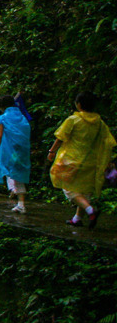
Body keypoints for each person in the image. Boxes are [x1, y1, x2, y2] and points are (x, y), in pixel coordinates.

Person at [48, 91, 116, 229]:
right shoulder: (100, 123)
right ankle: (77, 218)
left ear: (78, 104)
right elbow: (108, 142)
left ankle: (91, 210)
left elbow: (60, 137)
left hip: (71, 160)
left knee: (67, 188)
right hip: (91, 161)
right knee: (84, 191)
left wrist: (52, 151)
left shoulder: (73, 120)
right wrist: (107, 159)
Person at [0, 94, 31, 213]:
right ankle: (21, 204)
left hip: (6, 151)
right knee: (18, 176)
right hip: (20, 152)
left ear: (1, 106)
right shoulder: (22, 117)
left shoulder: (3, 118)